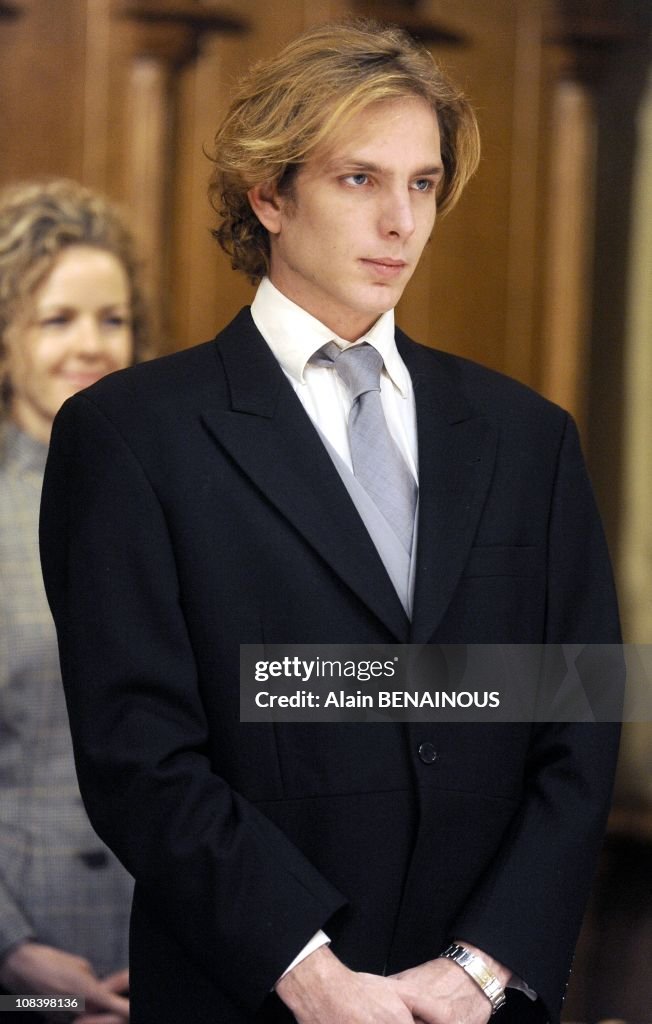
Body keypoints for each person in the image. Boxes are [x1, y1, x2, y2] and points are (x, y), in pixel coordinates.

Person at [39, 21, 621, 1024]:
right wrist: (312, 975)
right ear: (268, 194)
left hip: (480, 1003)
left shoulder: (528, 437)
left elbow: (578, 722)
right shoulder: (130, 436)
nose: (402, 220)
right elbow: (140, 754)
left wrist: (480, 969)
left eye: (424, 183)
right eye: (361, 179)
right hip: (251, 994)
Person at [0, 178, 148, 1023]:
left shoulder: (181, 504)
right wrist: (14, 952)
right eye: (58, 320)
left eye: (113, 318)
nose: (91, 344)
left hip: (176, 946)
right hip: (24, 962)